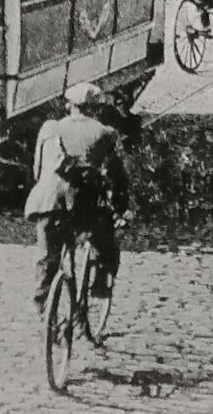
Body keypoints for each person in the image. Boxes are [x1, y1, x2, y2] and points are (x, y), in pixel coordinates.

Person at [25, 83, 133, 310]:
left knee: (47, 257)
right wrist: (120, 208)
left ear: (69, 106)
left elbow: (36, 171)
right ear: (95, 109)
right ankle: (100, 285)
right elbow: (118, 177)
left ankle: (44, 310)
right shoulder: (104, 133)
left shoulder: (49, 129)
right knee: (105, 239)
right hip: (80, 206)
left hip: (46, 202)